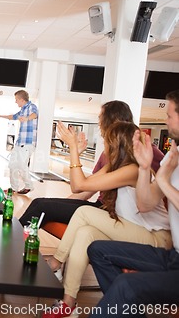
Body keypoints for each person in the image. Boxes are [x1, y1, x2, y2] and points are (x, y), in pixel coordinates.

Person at [41, 121, 172, 318]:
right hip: (135, 231)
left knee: (85, 213)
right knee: (85, 233)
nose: (104, 144)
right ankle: (69, 304)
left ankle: (56, 261)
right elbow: (79, 186)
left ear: (117, 143)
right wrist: (73, 149)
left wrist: (74, 148)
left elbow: (79, 184)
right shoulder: (116, 166)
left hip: (156, 239)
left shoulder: (132, 170)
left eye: (107, 140)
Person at [86, 90, 179, 318]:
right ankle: (126, 311)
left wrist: (164, 181)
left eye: (169, 115)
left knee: (127, 285)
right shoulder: (172, 157)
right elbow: (145, 204)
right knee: (97, 250)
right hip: (173, 256)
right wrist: (146, 168)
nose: (165, 120)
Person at [19, 100, 164, 227]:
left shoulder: (145, 156)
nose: (99, 124)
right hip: (103, 207)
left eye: (100, 118)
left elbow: (79, 186)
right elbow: (83, 191)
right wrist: (58, 205)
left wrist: (74, 149)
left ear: (109, 121)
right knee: (40, 204)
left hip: (116, 215)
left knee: (44, 206)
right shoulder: (110, 157)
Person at [0, 90, 38, 194]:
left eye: (16, 100)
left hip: (28, 143)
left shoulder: (31, 106)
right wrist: (0, 116)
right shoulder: (22, 110)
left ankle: (29, 186)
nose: (15, 102)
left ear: (22, 100)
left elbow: (34, 115)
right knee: (12, 165)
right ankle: (13, 188)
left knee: (22, 165)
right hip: (19, 143)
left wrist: (27, 118)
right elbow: (12, 117)